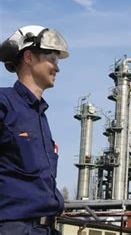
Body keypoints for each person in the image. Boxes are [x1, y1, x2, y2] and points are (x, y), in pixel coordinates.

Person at [0, 25, 69, 235]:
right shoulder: (5, 103)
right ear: (29, 57)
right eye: (52, 59)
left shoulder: (40, 117)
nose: (56, 68)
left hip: (44, 228)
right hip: (14, 227)